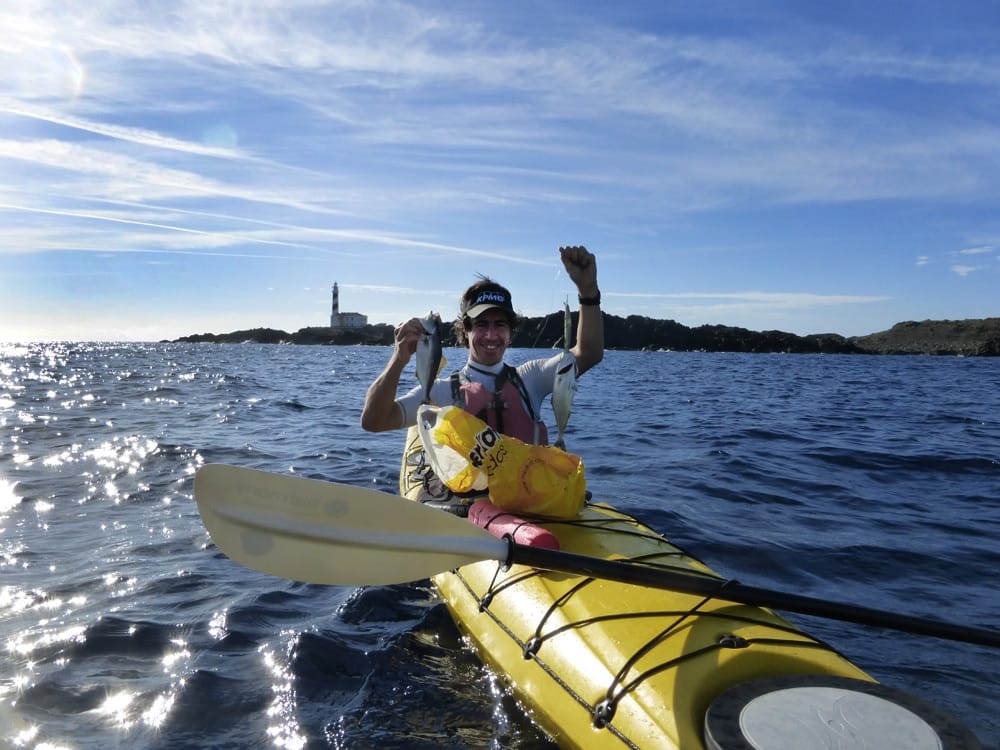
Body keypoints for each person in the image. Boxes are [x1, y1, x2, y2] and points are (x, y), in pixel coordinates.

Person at [361, 245, 604, 512]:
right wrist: (398, 359)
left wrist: (588, 291)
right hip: (471, 520)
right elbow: (374, 420)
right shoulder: (441, 393)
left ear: (511, 331)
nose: (491, 335)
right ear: (465, 331)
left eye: (500, 325)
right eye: (481, 325)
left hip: (534, 511)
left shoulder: (530, 379)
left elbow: (589, 353)